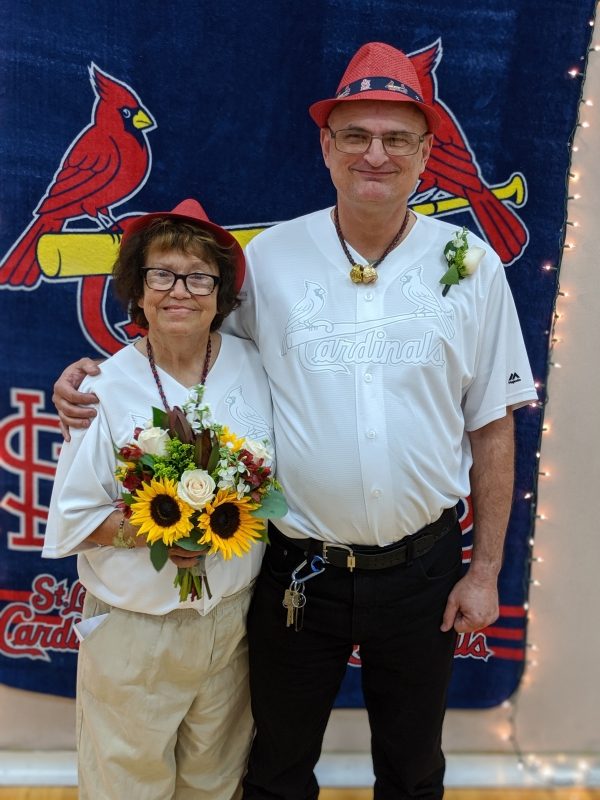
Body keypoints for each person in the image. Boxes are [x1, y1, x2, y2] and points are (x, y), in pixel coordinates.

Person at [53, 42, 538, 800]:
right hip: (295, 574)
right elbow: (195, 356)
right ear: (326, 145)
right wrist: (94, 375)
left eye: (396, 138)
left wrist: (485, 571)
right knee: (275, 767)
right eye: (355, 135)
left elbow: (493, 427)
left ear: (425, 152)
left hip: (425, 569)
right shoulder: (269, 260)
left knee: (414, 767)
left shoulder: (472, 266)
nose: (374, 154)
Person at [44, 199, 274, 800]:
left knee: (216, 782)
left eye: (200, 276)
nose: (181, 291)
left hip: (232, 623)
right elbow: (75, 520)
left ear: (221, 292)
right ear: (137, 290)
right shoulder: (101, 387)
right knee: (126, 786)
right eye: (161, 274)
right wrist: (166, 530)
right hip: (134, 630)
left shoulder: (256, 365)